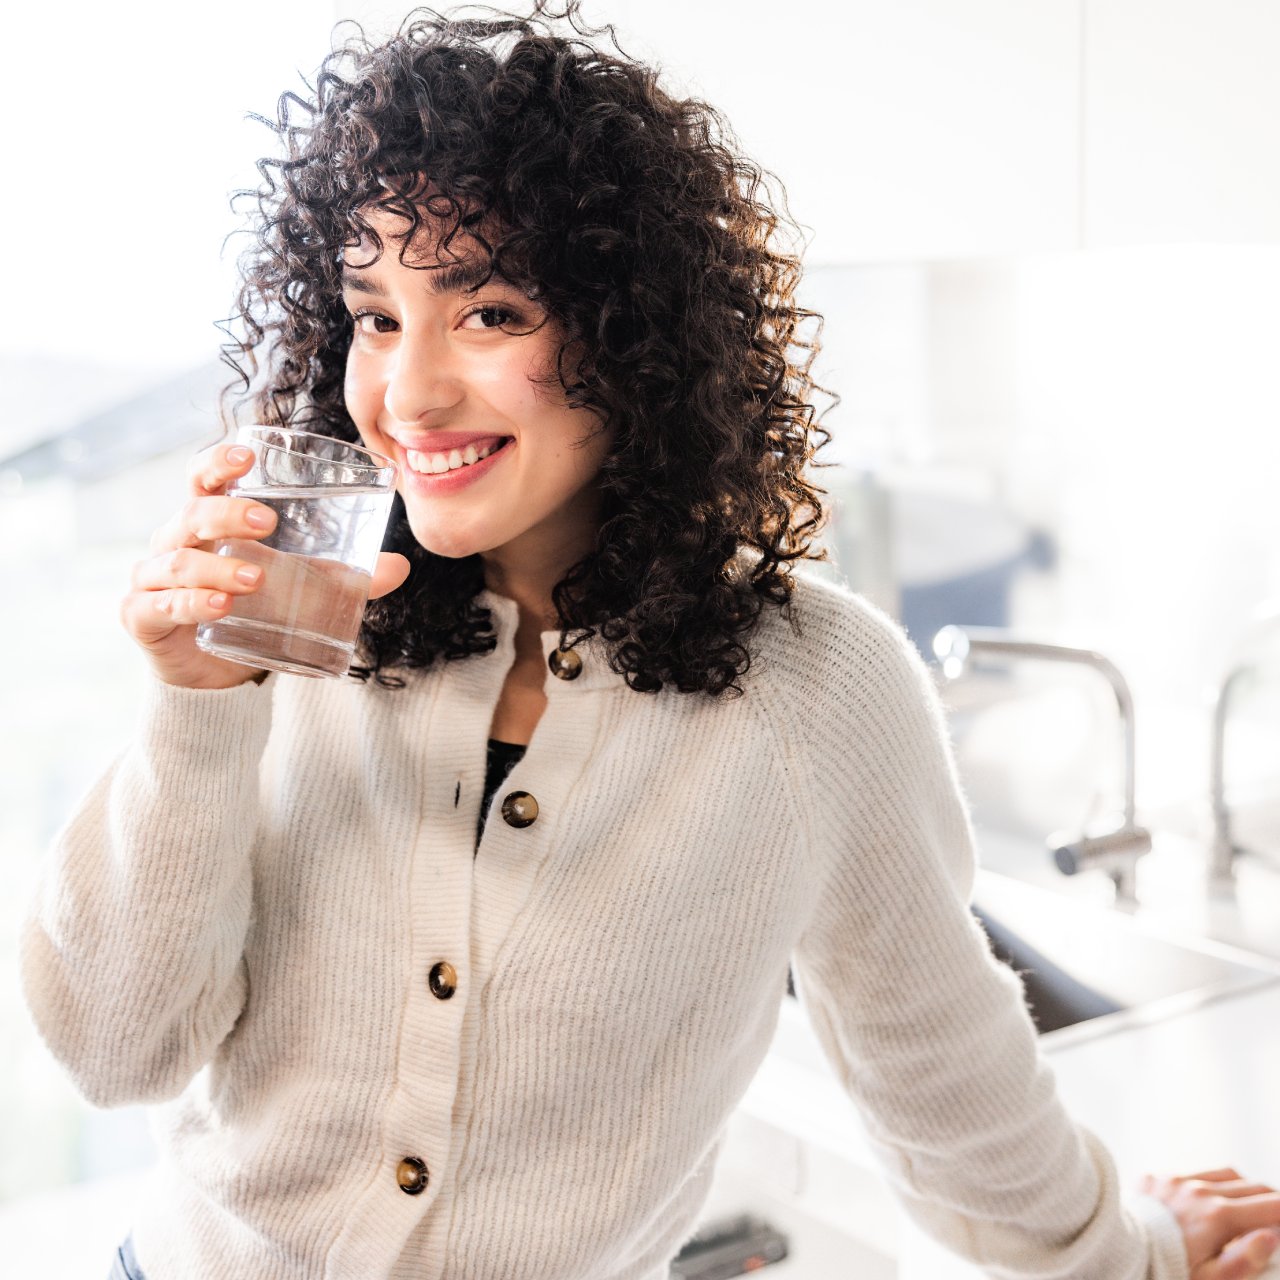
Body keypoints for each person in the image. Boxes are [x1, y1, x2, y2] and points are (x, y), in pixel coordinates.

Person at [19, 5, 1280, 1279]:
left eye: (491, 310)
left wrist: (1132, 1249)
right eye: (377, 314)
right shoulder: (293, 622)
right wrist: (194, 707)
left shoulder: (811, 692)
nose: (407, 393)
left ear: (632, 335)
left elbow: (944, 1069)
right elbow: (117, 1051)